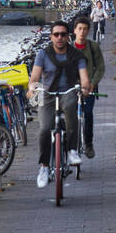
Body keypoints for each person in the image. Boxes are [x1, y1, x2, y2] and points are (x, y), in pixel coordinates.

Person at [27, 20, 91, 188]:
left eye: (63, 34)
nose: (60, 38)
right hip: (47, 94)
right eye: (56, 35)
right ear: (51, 37)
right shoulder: (43, 54)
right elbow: (34, 78)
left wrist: (85, 87)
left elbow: (84, 77)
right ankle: (44, 168)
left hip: (68, 91)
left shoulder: (76, 55)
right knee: (44, 129)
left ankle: (72, 150)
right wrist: (33, 88)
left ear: (68, 37)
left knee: (71, 108)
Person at [71, 15, 105, 158]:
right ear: (74, 31)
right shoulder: (68, 48)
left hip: (89, 88)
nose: (82, 32)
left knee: (88, 114)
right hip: (72, 88)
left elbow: (100, 67)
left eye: (85, 29)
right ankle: (71, 145)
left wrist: (93, 83)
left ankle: (89, 143)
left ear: (89, 30)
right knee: (69, 116)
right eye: (80, 29)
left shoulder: (93, 46)